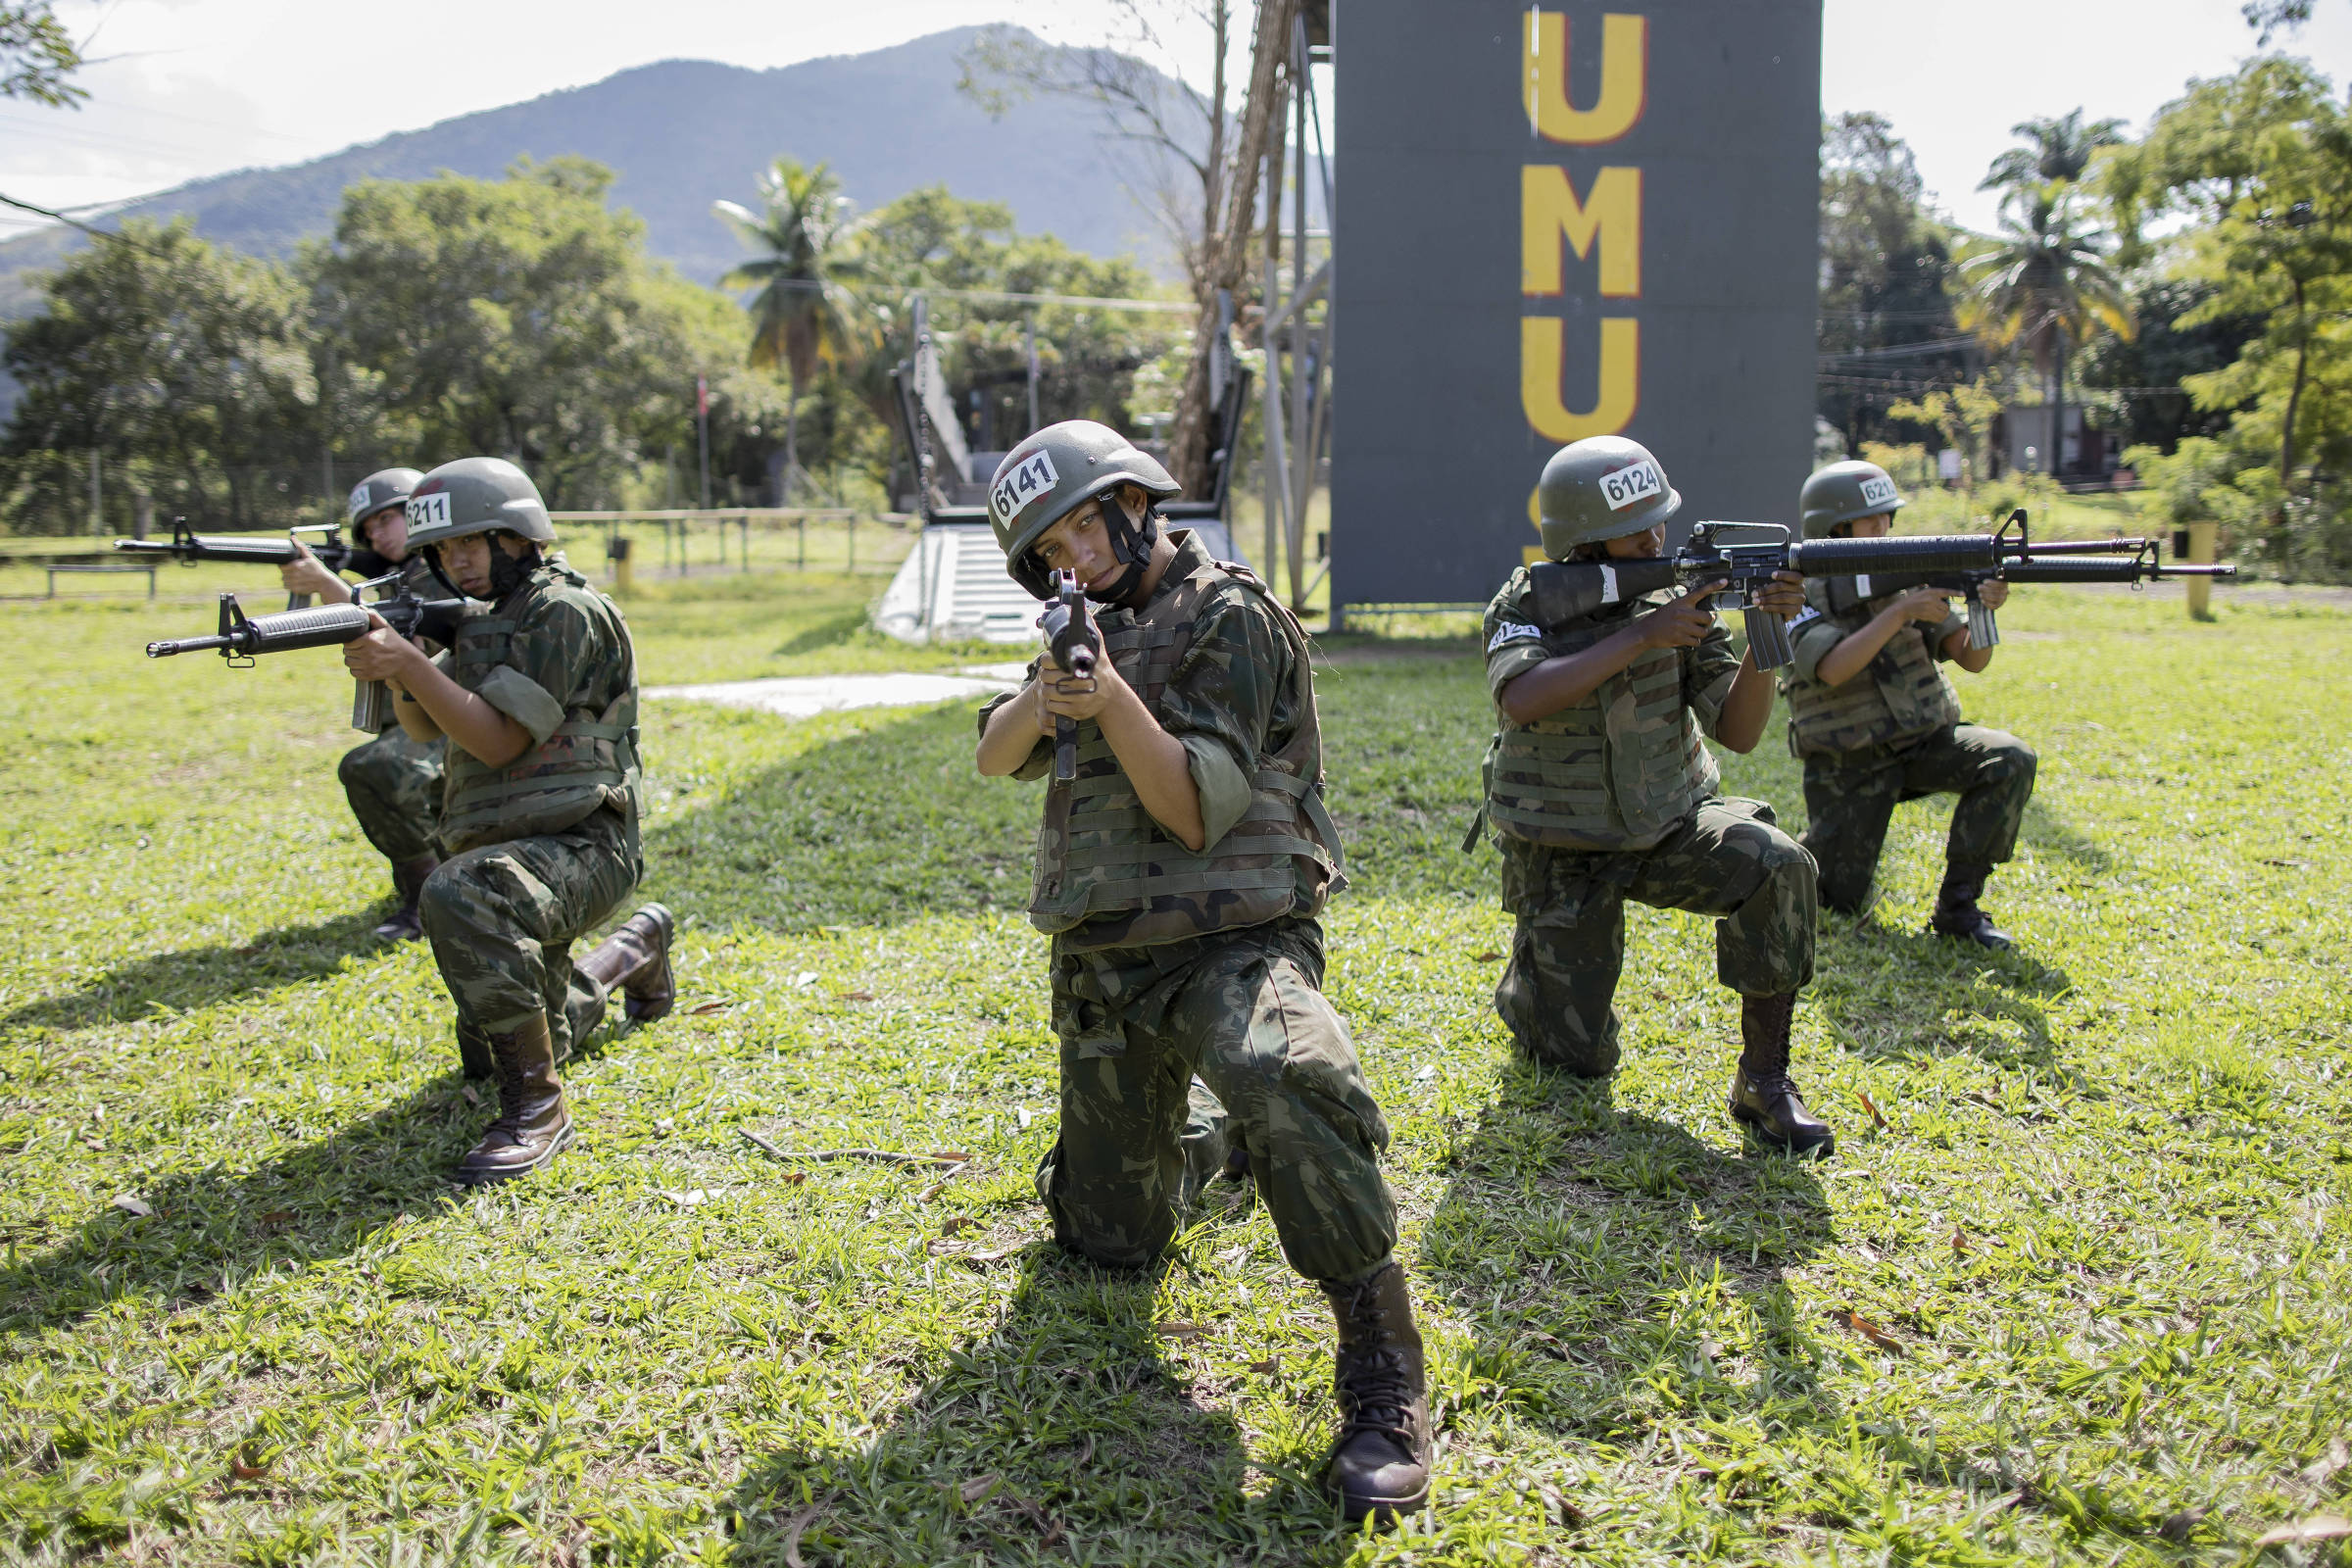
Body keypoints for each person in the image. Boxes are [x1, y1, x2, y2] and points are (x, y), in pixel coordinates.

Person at [973, 420, 1430, 1524]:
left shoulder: (1231, 615)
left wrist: (1111, 698)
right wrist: (1051, 688)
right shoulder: (1079, 630)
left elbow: (1191, 806)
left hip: (1232, 944)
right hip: (1107, 966)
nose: (1071, 556)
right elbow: (993, 751)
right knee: (1109, 1243)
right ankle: (1209, 1141)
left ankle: (1383, 1356)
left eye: (1084, 523)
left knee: (1282, 1066)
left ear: (1136, 500)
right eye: (1049, 548)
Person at [1476, 435, 1832, 1156]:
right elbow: (1520, 696)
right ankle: (1536, 977)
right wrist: (1643, 636)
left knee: (1780, 863)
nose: (1658, 537)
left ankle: (1764, 1082)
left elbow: (1738, 730)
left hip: (1668, 824)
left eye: (1660, 521)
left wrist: (1767, 630)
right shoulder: (1528, 601)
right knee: (1572, 1061)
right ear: (1586, 541)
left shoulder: (1680, 599)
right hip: (1563, 846)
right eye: (1639, 530)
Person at [339, 456, 674, 1183]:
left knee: (459, 894)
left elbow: (496, 739)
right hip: (515, 843)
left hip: (586, 840)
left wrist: (411, 662)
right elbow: (426, 732)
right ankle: (637, 949)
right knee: (510, 1034)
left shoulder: (564, 613)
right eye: (443, 550)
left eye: (472, 542)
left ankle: (536, 1108)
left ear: (519, 535)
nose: (456, 561)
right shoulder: (484, 620)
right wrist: (404, 666)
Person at [1782, 460, 2037, 949]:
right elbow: (1832, 667)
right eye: (1868, 519)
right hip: (1850, 763)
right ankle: (1793, 859)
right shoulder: (1794, 591)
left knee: (2008, 758)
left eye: (1886, 516)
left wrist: (1982, 605)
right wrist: (1900, 613)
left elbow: (1971, 657)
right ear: (1833, 528)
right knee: (1836, 898)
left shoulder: (1902, 576)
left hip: (1923, 744)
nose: (1883, 528)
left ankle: (1959, 908)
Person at [280, 468, 446, 941]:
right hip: (424, 717)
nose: (377, 535)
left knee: (375, 768)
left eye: (385, 520)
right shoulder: (403, 575)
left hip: (457, 718)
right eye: (368, 531)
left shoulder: (441, 569)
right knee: (372, 768)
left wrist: (326, 582)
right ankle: (422, 884)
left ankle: (427, 893)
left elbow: (395, 637)